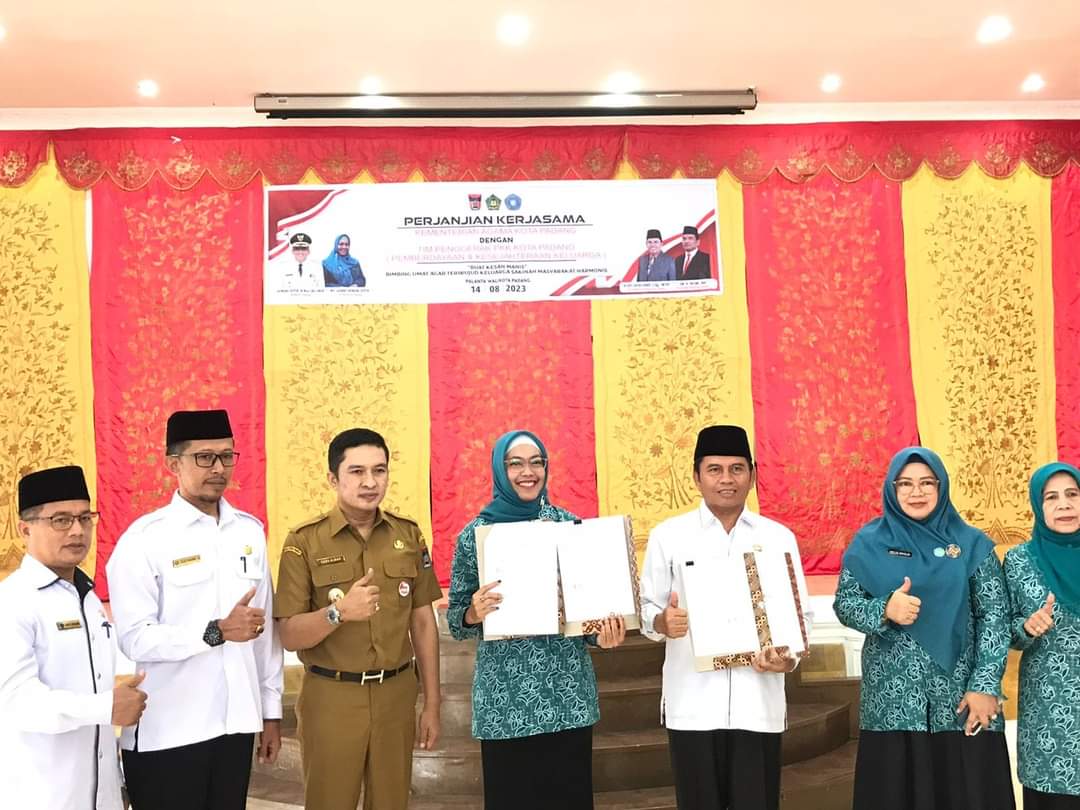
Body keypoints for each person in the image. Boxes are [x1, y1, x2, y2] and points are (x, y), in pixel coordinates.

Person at [106, 409, 284, 810]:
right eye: (204, 457)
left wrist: (271, 711)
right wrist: (215, 631)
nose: (218, 468)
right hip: (169, 732)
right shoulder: (145, 539)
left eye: (226, 456)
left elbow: (264, 632)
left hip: (235, 726)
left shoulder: (249, 532)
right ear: (174, 464)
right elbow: (134, 638)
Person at [448, 430, 626, 810]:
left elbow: (586, 611)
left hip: (566, 695)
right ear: (500, 470)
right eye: (515, 464)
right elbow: (455, 622)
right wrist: (473, 612)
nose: (527, 472)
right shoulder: (474, 537)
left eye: (536, 462)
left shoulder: (569, 528)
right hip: (505, 701)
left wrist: (602, 635)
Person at [640, 425, 811, 810]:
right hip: (693, 704)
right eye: (714, 469)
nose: (726, 479)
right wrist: (662, 622)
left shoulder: (778, 538)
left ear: (752, 475)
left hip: (758, 702)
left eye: (737, 469)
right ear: (696, 476)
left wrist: (788, 658)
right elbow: (647, 606)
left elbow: (801, 614)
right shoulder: (669, 536)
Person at [834, 446, 1014, 810]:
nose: (916, 492)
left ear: (941, 486)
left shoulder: (972, 545)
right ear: (892, 489)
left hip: (962, 702)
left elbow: (995, 617)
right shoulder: (869, 543)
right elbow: (845, 605)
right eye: (905, 484)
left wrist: (984, 686)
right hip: (893, 705)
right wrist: (884, 608)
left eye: (927, 483)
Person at [274, 428, 442, 810]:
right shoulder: (304, 541)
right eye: (357, 471)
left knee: (391, 803)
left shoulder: (408, 535)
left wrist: (433, 702)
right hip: (332, 697)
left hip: (396, 695)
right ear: (333, 479)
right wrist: (338, 613)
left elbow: (422, 622)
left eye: (379, 470)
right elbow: (289, 634)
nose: (370, 482)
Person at [0, 465, 146, 809]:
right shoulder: (13, 602)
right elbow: (18, 702)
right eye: (61, 520)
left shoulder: (88, 598)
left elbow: (96, 694)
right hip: (41, 797)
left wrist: (116, 783)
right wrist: (106, 707)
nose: (77, 531)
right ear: (25, 529)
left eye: (85, 518)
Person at [1005, 462, 1080, 809]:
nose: (1064, 504)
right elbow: (1003, 631)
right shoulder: (1020, 560)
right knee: (1053, 793)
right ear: (1038, 504)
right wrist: (1026, 627)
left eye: (1072, 494)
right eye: (1051, 497)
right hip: (1050, 708)